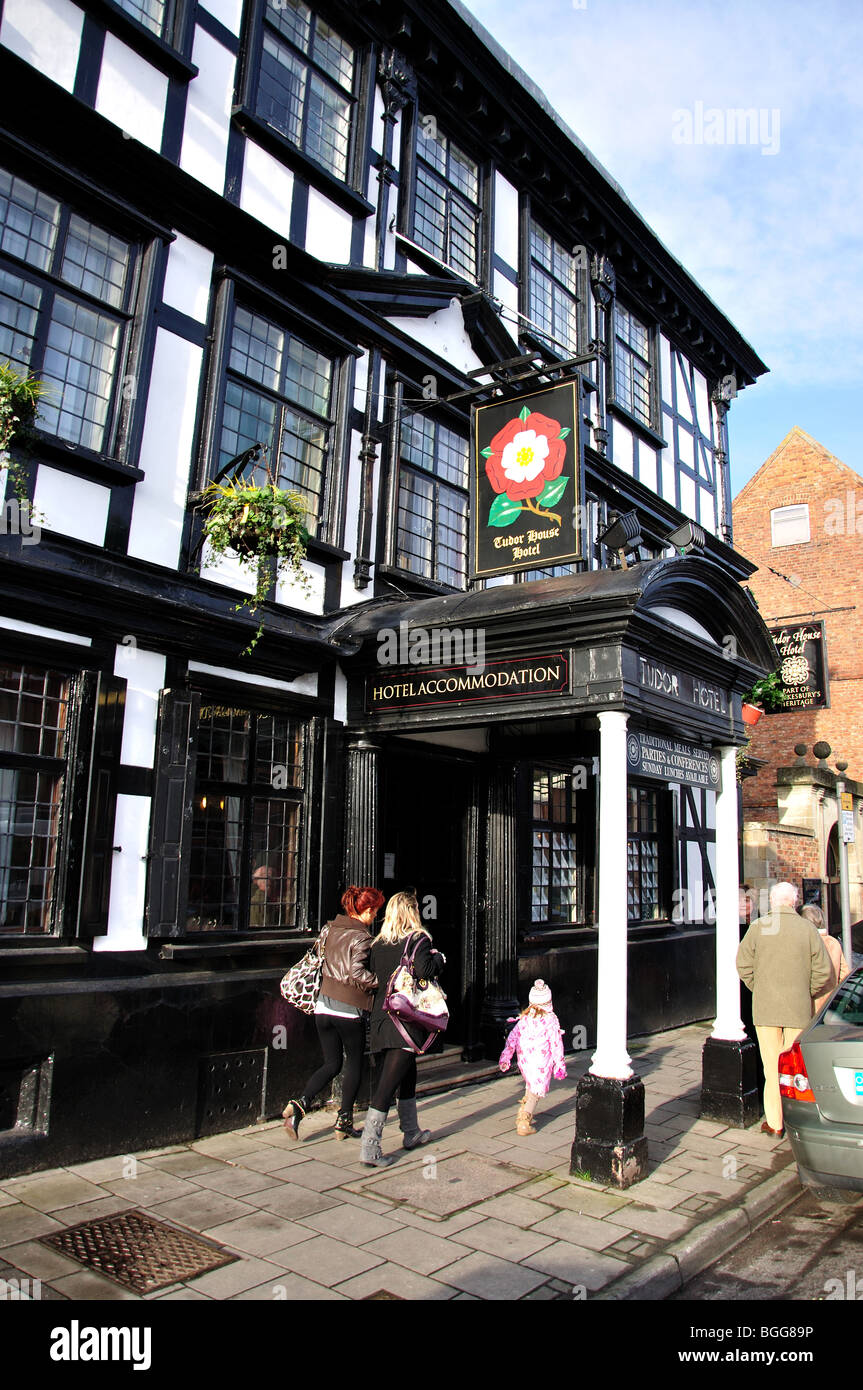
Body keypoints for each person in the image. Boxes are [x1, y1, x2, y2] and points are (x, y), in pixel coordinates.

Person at [283, 884, 383, 1141]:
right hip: (348, 1009)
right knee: (354, 1064)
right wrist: (380, 983)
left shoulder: (329, 929)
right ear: (367, 910)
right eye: (375, 911)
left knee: (331, 1063)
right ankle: (344, 1121)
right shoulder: (362, 937)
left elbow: (319, 958)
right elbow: (356, 973)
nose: (376, 916)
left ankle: (299, 1105)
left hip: (322, 1006)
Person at [736, 881, 832, 1137]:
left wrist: (759, 987)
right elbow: (824, 971)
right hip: (797, 1009)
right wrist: (805, 991)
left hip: (766, 1009)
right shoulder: (807, 930)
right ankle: (795, 1120)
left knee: (771, 1066)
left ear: (772, 902)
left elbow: (743, 964)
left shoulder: (758, 927)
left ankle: (775, 1123)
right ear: (794, 901)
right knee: (794, 1068)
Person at [359, 890, 445, 1167]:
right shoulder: (418, 939)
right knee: (386, 1085)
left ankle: (411, 1132)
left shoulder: (378, 944)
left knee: (406, 1074)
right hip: (404, 1021)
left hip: (381, 1019)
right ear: (411, 912)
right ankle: (370, 1147)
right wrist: (439, 960)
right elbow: (423, 969)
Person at [498, 980, 567, 1135]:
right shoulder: (550, 1020)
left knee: (531, 1083)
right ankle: (524, 1120)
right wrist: (560, 1064)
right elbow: (556, 1044)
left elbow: (512, 1039)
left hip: (525, 1059)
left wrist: (506, 1057)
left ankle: (524, 1105)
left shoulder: (524, 1019)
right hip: (541, 1061)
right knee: (538, 1088)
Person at [801, 903, 851, 1015]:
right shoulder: (833, 942)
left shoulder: (806, 943)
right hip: (830, 1006)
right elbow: (845, 975)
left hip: (808, 1007)